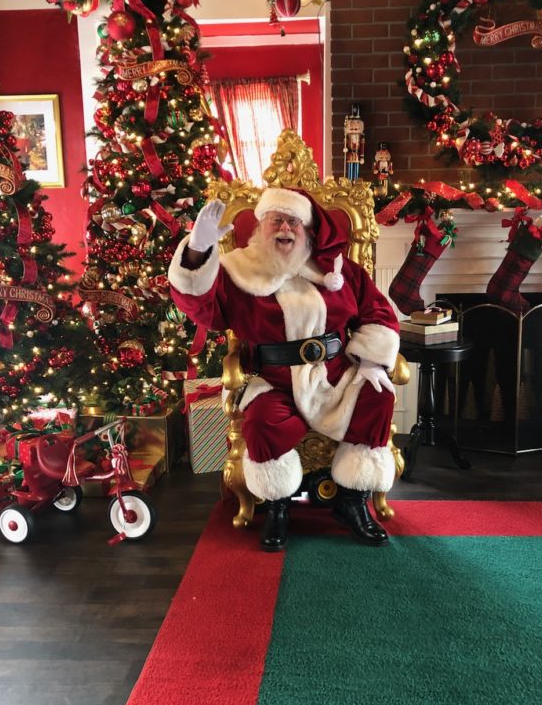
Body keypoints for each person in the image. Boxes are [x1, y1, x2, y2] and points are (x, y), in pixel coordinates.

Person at [168, 186, 400, 552]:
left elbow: (378, 312)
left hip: (336, 374)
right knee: (262, 422)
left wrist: (371, 359)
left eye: (294, 221)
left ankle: (352, 501)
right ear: (260, 226)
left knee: (378, 395)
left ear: (307, 229)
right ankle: (277, 506)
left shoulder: (337, 269)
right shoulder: (236, 271)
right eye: (276, 219)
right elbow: (202, 309)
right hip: (273, 379)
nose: (285, 228)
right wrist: (198, 251)